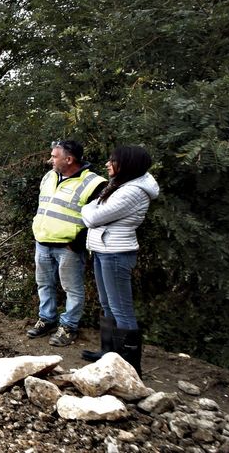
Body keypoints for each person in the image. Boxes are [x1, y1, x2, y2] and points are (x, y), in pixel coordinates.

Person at [79, 145, 158, 374]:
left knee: (121, 309)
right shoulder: (120, 185)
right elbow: (94, 211)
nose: (107, 164)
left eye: (112, 161)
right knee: (107, 304)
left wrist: (87, 209)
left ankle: (129, 367)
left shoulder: (133, 191)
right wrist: (90, 210)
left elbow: (93, 216)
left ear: (127, 165)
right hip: (104, 250)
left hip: (116, 253)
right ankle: (108, 354)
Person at [27, 140, 107, 347]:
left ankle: (69, 326)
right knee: (44, 284)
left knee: (72, 288)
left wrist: (78, 242)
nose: (50, 160)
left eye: (54, 156)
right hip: (43, 241)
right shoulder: (49, 176)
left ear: (69, 159)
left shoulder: (94, 183)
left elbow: (101, 216)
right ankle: (47, 319)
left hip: (68, 247)